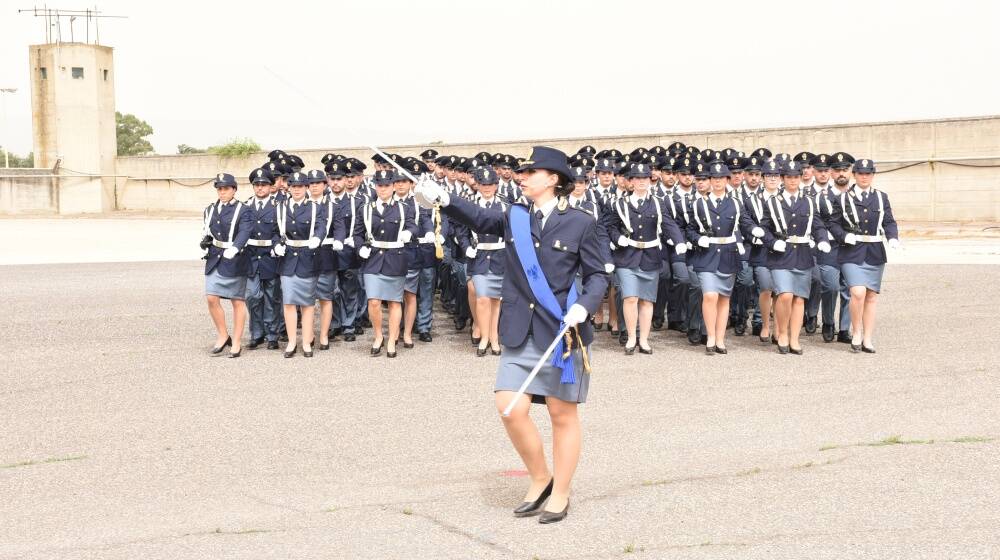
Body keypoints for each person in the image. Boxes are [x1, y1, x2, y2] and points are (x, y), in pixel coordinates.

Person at [416, 146, 609, 524]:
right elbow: (479, 218)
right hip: (520, 328)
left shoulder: (582, 222)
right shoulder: (514, 215)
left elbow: (599, 274)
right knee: (510, 408)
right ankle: (541, 477)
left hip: (561, 332)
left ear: (553, 179)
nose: (522, 177)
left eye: (531, 172)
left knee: (560, 413)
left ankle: (562, 492)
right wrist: (444, 198)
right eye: (522, 172)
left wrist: (585, 305)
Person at [606, 163, 687, 354]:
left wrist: (678, 241)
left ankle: (644, 339)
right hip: (627, 257)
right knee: (630, 297)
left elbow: (668, 223)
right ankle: (631, 337)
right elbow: (610, 227)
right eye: (637, 178)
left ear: (649, 180)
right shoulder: (620, 203)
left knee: (647, 301)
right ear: (631, 181)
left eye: (645, 178)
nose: (642, 182)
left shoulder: (659, 202)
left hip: (650, 256)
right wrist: (618, 239)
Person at [755, 161, 831, 354]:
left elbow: (817, 225)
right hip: (781, 254)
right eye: (788, 177)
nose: (792, 180)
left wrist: (822, 239)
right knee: (785, 295)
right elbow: (764, 229)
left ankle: (795, 338)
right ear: (783, 179)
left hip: (803, 253)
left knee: (799, 298)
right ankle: (782, 332)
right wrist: (772, 242)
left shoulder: (809, 201)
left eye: (796, 177)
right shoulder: (773, 202)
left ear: (801, 178)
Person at [828, 158, 900, 353]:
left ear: (873, 175)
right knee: (857, 292)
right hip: (851, 251)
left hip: (875, 252)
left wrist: (892, 237)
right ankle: (856, 330)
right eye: (861, 173)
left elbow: (889, 221)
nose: (864, 177)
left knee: (870, 296)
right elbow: (833, 224)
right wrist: (844, 236)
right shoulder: (843, 198)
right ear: (854, 175)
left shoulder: (880, 197)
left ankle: (867, 338)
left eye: (868, 173)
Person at [686, 162, 749, 355]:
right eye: (715, 178)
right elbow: (689, 229)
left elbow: (744, 222)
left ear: (727, 180)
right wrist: (699, 239)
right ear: (710, 181)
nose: (718, 181)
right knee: (709, 295)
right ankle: (710, 336)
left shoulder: (736, 203)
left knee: (723, 298)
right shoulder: (699, 203)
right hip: (707, 254)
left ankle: (720, 338)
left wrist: (755, 230)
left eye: (722, 178)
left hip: (728, 254)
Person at [356, 170, 418, 358]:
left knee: (394, 302)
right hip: (373, 259)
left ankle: (392, 339)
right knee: (374, 302)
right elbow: (357, 233)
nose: (383, 189)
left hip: (395, 258)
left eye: (386, 185)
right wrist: (360, 247)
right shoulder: (366, 208)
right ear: (375, 186)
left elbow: (413, 225)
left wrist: (409, 233)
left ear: (392, 187)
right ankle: (378, 336)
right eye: (380, 185)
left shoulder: (403, 207)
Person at [275, 172, 328, 358]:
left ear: (306, 187)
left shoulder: (315, 207)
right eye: (293, 186)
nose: (296, 189)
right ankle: (291, 342)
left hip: (307, 258)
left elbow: (322, 225)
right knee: (289, 302)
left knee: (307, 304)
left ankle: (306, 342)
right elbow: (276, 230)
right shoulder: (281, 207)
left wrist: (317, 238)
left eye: (300, 186)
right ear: (288, 187)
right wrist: (276, 245)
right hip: (288, 259)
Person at [202, 173, 253, 358]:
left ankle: (237, 341)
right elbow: (208, 230)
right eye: (220, 189)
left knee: (237, 301)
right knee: (211, 298)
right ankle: (223, 335)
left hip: (235, 258)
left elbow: (246, 230)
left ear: (234, 189)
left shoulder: (243, 209)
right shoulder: (210, 209)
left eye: (226, 189)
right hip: (215, 257)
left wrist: (236, 247)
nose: (222, 192)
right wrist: (205, 241)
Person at [461, 166, 508, 356]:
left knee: (496, 300)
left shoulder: (506, 205)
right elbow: (461, 230)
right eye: (483, 184)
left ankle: (494, 337)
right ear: (477, 185)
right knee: (481, 298)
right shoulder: (470, 204)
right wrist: (466, 247)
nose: (487, 188)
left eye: (491, 184)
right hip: (479, 257)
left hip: (500, 257)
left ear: (496, 186)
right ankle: (484, 337)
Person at [243, 168, 283, 350]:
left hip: (270, 257)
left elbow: (281, 232)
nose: (260, 188)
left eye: (264, 184)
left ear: (270, 186)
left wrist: (278, 245)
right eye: (257, 185)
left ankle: (272, 334)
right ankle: (256, 333)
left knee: (272, 297)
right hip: (251, 257)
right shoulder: (246, 207)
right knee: (252, 296)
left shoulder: (279, 207)